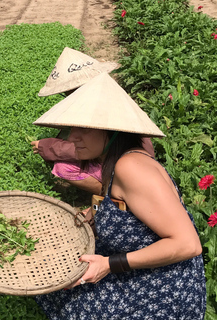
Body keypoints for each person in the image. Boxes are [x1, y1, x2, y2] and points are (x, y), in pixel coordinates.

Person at [32, 73, 206, 319]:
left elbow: (188, 245)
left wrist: (108, 265)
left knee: (73, 300)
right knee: (56, 280)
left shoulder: (131, 168)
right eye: (73, 128)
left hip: (165, 288)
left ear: (112, 130)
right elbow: (123, 206)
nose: (72, 137)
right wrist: (94, 214)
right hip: (141, 265)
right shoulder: (112, 161)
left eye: (84, 129)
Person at [32, 47, 128, 194]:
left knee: (62, 167)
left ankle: (109, 194)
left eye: (69, 92)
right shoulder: (105, 98)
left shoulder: (101, 109)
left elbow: (80, 148)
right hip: (114, 158)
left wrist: (47, 147)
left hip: (118, 161)